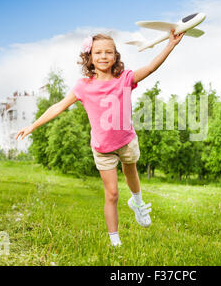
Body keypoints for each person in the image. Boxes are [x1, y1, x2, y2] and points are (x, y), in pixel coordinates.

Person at [15, 29, 185, 247]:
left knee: (131, 171)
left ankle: (138, 203)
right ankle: (114, 240)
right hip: (103, 148)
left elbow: (151, 67)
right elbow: (58, 106)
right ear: (90, 57)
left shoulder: (125, 79)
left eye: (108, 52)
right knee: (112, 194)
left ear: (115, 56)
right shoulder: (83, 86)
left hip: (126, 140)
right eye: (98, 53)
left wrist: (171, 44)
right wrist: (32, 125)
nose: (103, 56)